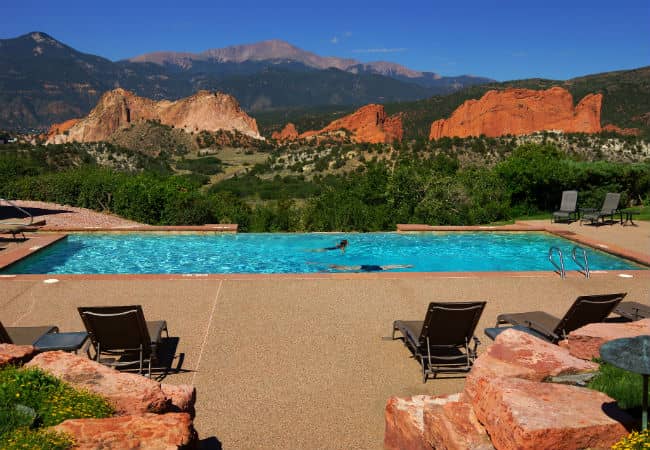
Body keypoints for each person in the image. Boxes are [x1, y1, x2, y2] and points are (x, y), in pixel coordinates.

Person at [327, 264, 413, 272]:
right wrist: (404, 266)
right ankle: (336, 267)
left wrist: (404, 266)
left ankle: (336, 266)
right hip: (367, 268)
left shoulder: (383, 268)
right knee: (349, 269)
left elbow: (393, 266)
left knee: (349, 268)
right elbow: (393, 266)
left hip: (364, 266)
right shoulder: (383, 268)